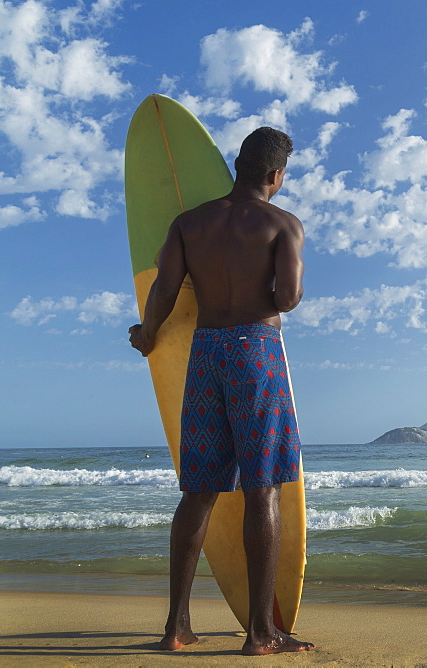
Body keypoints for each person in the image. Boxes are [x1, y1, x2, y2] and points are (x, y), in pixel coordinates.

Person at [128, 127, 314, 656]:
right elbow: (289, 295)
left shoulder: (189, 224)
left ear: (236, 164)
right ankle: (261, 632)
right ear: (277, 175)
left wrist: (146, 336)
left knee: (200, 489)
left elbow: (164, 291)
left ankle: (176, 627)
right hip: (256, 350)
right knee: (264, 487)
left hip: (205, 353)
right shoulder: (282, 224)